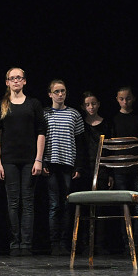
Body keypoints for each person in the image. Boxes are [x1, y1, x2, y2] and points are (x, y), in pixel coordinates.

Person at [0, 68, 46, 256]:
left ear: (24, 81)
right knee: (13, 202)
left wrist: (38, 159)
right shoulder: (1, 105)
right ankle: (14, 243)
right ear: (7, 82)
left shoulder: (33, 104)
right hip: (9, 160)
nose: (16, 81)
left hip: (29, 160)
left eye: (19, 78)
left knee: (28, 202)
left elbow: (41, 132)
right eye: (12, 78)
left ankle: (26, 244)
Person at [42, 80, 87, 256]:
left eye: (63, 91)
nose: (60, 94)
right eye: (57, 91)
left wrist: (78, 166)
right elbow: (40, 139)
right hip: (51, 163)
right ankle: (54, 243)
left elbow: (80, 143)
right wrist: (43, 162)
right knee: (54, 204)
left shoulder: (74, 114)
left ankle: (65, 242)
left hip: (68, 164)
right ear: (50, 94)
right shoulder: (45, 114)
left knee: (68, 204)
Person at [110, 85, 138, 250]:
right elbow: (111, 148)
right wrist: (110, 172)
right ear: (117, 100)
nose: (125, 102)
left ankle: (137, 243)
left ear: (134, 99)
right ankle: (126, 243)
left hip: (137, 168)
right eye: (122, 99)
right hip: (119, 169)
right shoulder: (114, 120)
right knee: (123, 205)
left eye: (128, 98)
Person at [81, 91, 113, 253]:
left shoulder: (106, 124)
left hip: (102, 169)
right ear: (83, 107)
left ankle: (100, 243)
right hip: (85, 168)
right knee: (85, 206)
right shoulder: (81, 125)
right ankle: (85, 243)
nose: (91, 107)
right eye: (87, 104)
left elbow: (110, 149)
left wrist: (110, 173)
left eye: (93, 104)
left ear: (98, 104)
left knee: (101, 207)